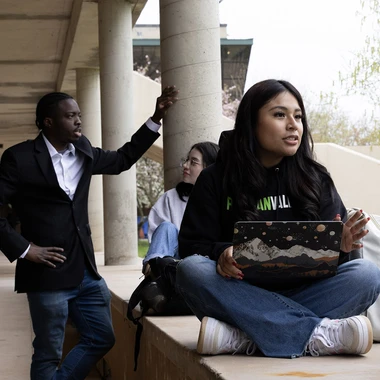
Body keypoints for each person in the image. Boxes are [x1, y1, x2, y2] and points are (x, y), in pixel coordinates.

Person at [176, 79, 380, 359]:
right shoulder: (215, 178)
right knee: (191, 270)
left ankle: (244, 335)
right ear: (252, 122)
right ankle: (315, 334)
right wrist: (220, 253)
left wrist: (341, 246)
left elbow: (336, 263)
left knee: (367, 275)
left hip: (306, 293)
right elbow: (190, 245)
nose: (293, 124)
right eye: (280, 114)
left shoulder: (315, 178)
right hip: (239, 291)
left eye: (298, 116)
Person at [0, 86, 178, 380]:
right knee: (47, 352)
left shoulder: (83, 150)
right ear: (48, 122)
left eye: (79, 115)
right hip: (47, 273)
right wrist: (25, 249)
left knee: (101, 337)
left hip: (85, 272)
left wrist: (156, 118)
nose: (78, 121)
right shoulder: (19, 159)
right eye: (70, 116)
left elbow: (123, 159)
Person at [142, 141, 219, 276]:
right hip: (171, 259)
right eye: (186, 160)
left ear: (210, 167)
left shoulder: (221, 199)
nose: (185, 166)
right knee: (166, 227)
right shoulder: (170, 197)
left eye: (193, 162)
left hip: (204, 262)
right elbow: (159, 239)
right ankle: (154, 275)